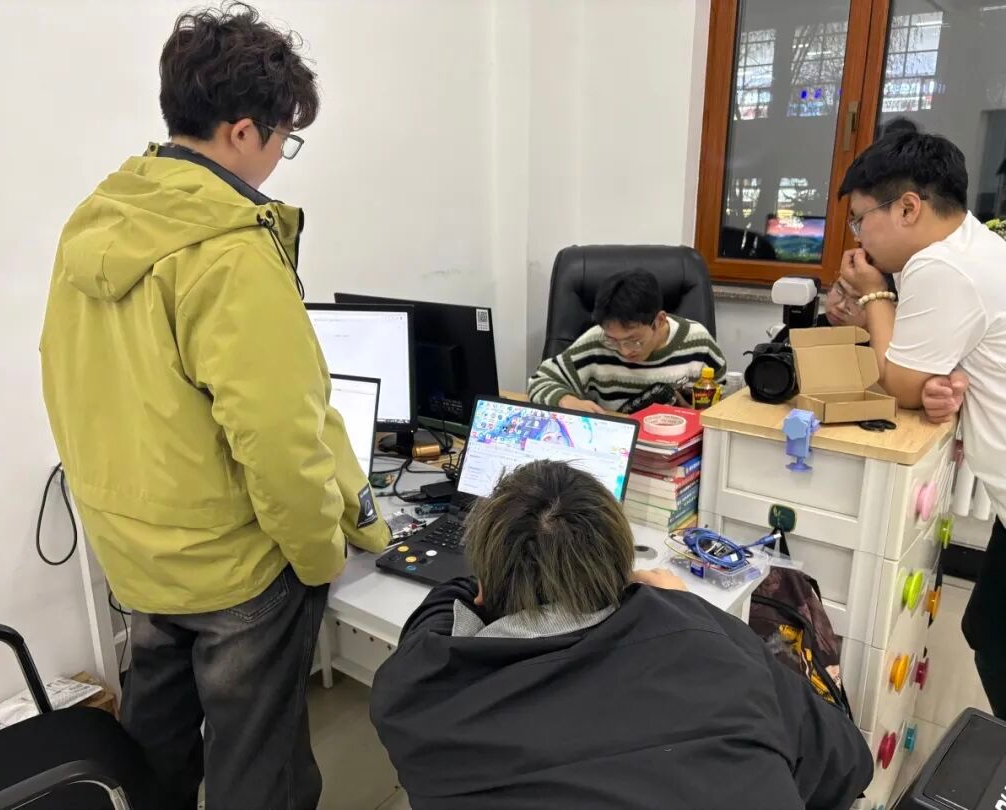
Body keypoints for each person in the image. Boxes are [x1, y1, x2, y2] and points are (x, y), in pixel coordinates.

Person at [39, 6, 390, 808]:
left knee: (156, 753)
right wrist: (318, 556)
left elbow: (67, 378)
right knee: (260, 772)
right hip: (233, 569)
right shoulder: (228, 249)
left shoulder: (96, 224)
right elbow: (279, 438)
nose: (277, 159)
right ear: (241, 132)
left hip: (137, 553)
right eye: (282, 139)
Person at [370, 460, 873, 810]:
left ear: (483, 586)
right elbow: (847, 766)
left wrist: (485, 582)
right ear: (622, 570)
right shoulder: (709, 643)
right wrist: (683, 606)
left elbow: (437, 617)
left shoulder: (412, 694)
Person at [837, 131, 1006, 717]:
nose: (858, 237)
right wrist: (938, 381)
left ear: (908, 207)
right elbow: (930, 374)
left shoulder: (941, 266)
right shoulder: (974, 244)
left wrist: (873, 295)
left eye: (861, 219)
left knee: (996, 643)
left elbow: (898, 384)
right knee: (987, 628)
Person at [527, 270, 726, 414]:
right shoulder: (597, 341)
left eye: (634, 341)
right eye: (613, 341)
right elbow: (540, 381)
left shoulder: (698, 342)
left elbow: (724, 403)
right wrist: (566, 400)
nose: (624, 351)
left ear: (659, 321)